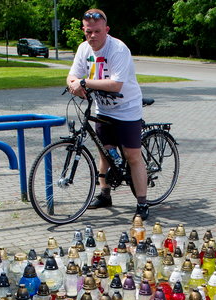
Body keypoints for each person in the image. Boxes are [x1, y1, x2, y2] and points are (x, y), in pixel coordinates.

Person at [67, 9, 150, 219]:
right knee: (104, 152)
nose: (92, 36)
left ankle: (142, 203)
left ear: (106, 30)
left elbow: (115, 84)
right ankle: (105, 194)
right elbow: (72, 76)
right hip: (102, 108)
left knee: (132, 156)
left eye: (96, 31)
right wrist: (73, 86)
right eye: (87, 32)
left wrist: (84, 82)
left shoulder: (118, 49)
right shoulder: (83, 49)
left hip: (127, 110)